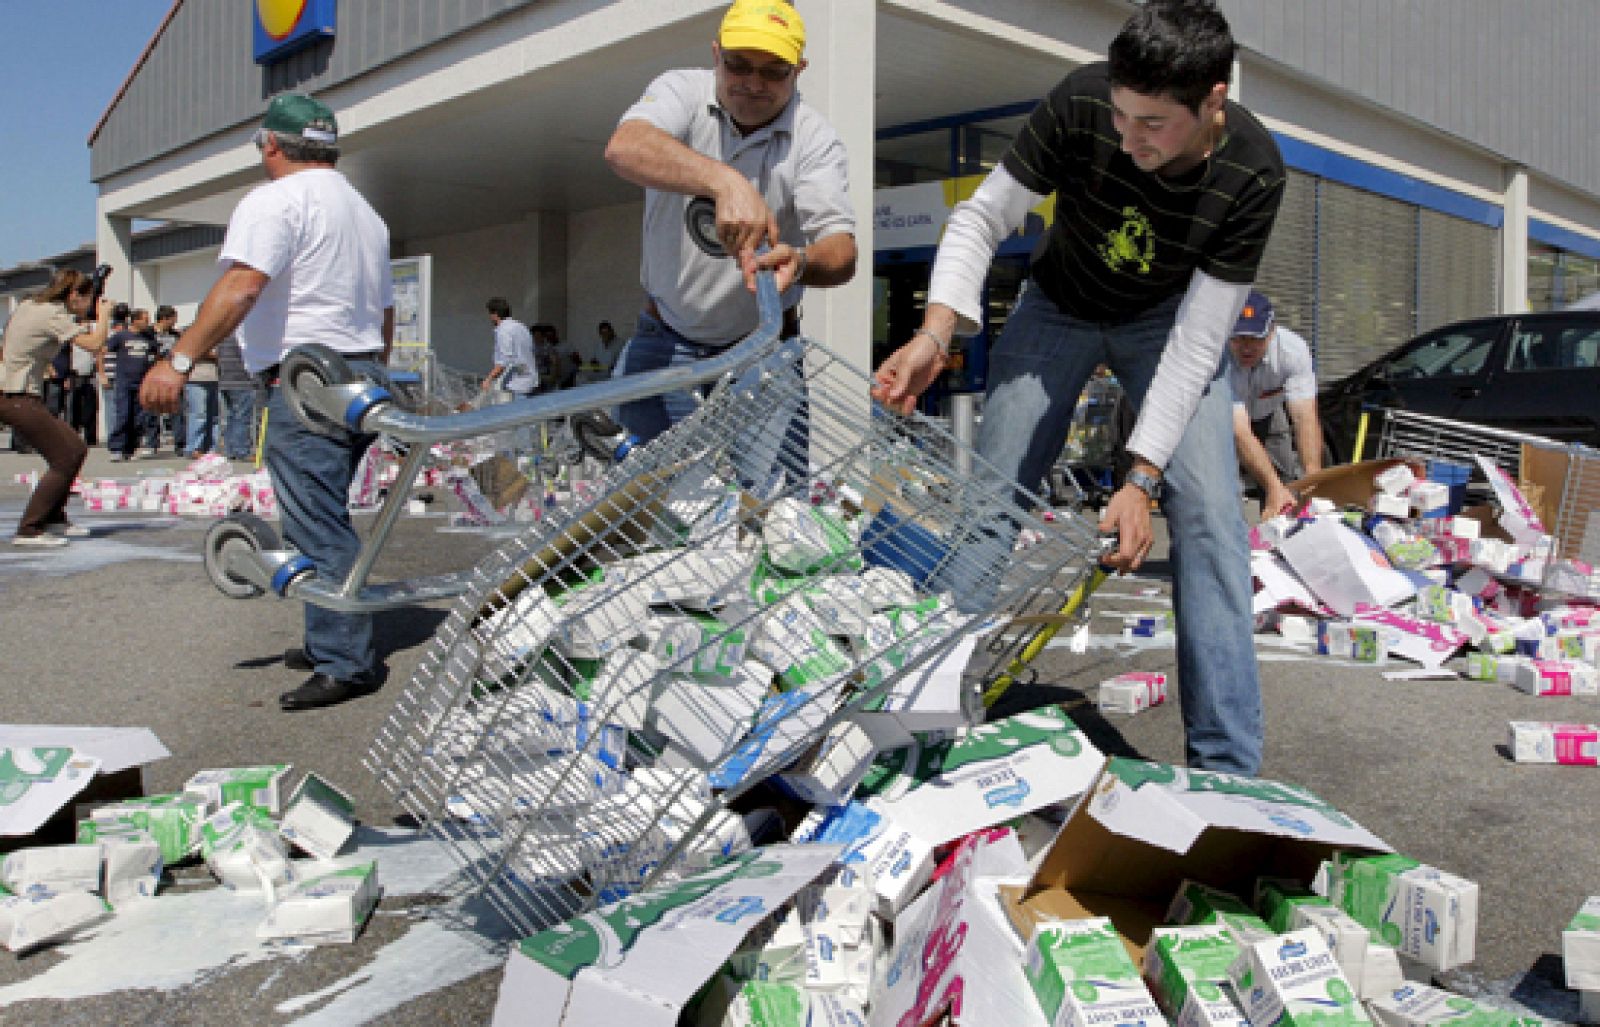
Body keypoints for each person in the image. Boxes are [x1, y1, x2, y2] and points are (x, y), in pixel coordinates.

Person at [873, 0, 1284, 776]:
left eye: (1154, 124)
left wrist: (1140, 478)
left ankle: (1227, 771)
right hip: (1057, 304)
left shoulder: (1253, 172)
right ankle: (925, 717)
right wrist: (935, 334)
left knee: (1210, 517)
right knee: (992, 497)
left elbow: (1201, 339)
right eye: (1121, 115)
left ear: (1213, 103)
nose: (1129, 139)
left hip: (1166, 321)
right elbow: (978, 220)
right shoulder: (1080, 103)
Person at [141, 92, 395, 712]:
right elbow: (385, 310)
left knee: (315, 517)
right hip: (357, 369)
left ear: (272, 145)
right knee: (317, 508)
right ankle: (327, 633)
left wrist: (178, 359)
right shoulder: (365, 214)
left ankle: (344, 661)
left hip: (309, 381)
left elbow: (241, 288)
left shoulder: (275, 200)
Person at [604, 0, 856, 473]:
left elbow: (842, 253)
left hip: (763, 346)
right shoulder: (681, 89)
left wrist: (799, 262)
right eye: (739, 65)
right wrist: (726, 182)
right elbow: (625, 148)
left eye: (774, 71)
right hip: (666, 336)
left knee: (774, 513)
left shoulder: (814, 137)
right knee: (643, 502)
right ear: (716, 54)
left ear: (799, 71)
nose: (753, 83)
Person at [0, 269, 112, 545]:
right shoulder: (52, 314)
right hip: (16, 395)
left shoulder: (31, 305)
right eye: (87, 298)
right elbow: (95, 344)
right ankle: (30, 528)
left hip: (15, 392)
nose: (90, 304)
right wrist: (105, 314)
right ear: (74, 296)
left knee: (75, 449)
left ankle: (54, 518)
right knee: (66, 455)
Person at [1226, 289, 1323, 519]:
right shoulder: (1218, 356)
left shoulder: (1292, 351)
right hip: (1224, 422)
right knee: (1225, 489)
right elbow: (1239, 432)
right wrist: (1272, 487)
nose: (1246, 347)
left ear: (1271, 333)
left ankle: (1279, 541)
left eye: (1255, 339)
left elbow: (1304, 417)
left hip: (1269, 414)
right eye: (1239, 338)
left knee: (1286, 481)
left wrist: (1313, 476)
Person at [104, 308, 161, 461]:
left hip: (142, 382)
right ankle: (116, 448)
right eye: (144, 319)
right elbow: (103, 351)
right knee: (123, 415)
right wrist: (103, 375)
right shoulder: (121, 336)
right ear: (135, 320)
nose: (147, 323)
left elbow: (157, 355)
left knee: (138, 418)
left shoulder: (148, 337)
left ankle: (130, 448)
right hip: (124, 381)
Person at [481, 297, 538, 401]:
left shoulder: (503, 331)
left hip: (516, 383)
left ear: (495, 315)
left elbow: (504, 361)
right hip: (529, 378)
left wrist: (488, 379)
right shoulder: (521, 326)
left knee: (515, 413)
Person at [216, 335, 258, 461]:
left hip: (225, 381)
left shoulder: (223, 337)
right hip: (242, 381)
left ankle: (230, 450)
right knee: (242, 417)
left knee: (231, 416)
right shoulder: (242, 337)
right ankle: (242, 450)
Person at [153, 305, 185, 453]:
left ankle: (180, 443)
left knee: (176, 409)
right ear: (165, 319)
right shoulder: (149, 334)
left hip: (173, 375)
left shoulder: (176, 335)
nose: (175, 322)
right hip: (154, 374)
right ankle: (152, 442)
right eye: (173, 319)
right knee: (152, 409)